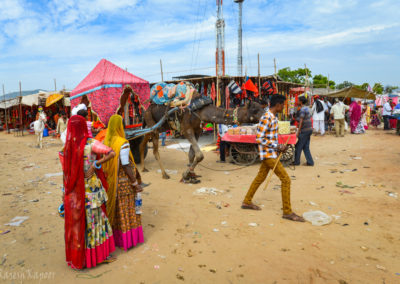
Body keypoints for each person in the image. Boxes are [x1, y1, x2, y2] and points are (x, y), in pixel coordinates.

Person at [63, 115, 116, 269]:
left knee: (80, 224)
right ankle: (98, 256)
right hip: (90, 191)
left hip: (74, 193)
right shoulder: (90, 144)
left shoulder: (68, 147)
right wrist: (95, 164)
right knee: (96, 222)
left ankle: (81, 257)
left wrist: (64, 192)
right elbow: (111, 153)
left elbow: (65, 172)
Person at [241, 95, 305, 222]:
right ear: (278, 105)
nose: (283, 107)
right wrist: (277, 146)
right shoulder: (266, 117)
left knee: (260, 178)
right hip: (268, 154)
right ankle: (287, 211)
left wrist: (279, 147)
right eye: (283, 105)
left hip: (270, 153)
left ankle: (247, 201)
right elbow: (259, 138)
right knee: (286, 180)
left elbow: (269, 137)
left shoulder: (273, 117)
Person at [103, 115, 144, 251]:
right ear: (120, 126)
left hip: (112, 182)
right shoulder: (123, 143)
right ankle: (129, 240)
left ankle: (116, 239)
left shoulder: (107, 140)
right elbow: (126, 165)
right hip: (124, 183)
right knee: (127, 211)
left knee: (117, 212)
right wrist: (134, 183)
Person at [294, 96, 314, 166]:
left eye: (298, 100)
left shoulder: (302, 109)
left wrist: (298, 132)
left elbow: (301, 121)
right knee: (306, 147)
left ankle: (296, 162)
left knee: (298, 146)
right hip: (309, 129)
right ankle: (310, 162)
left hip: (305, 130)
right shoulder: (306, 108)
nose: (297, 101)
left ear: (301, 102)